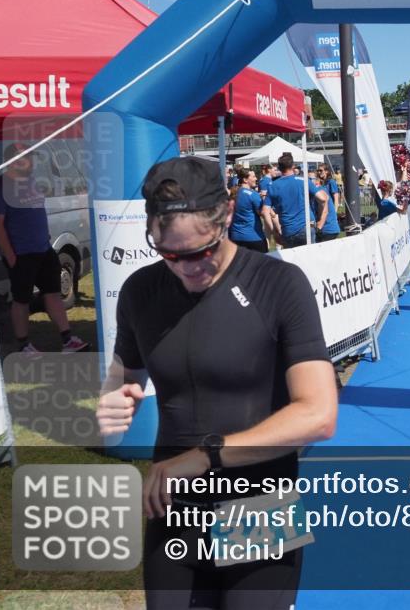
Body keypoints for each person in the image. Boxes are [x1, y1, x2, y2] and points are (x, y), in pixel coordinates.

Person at [96, 155, 337, 609]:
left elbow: (318, 415)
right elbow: (124, 374)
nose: (188, 268)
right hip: (172, 512)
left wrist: (204, 457)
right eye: (170, 255)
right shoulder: (139, 291)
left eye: (201, 252)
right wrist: (114, 396)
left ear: (226, 217)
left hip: (260, 508)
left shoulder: (279, 283)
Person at [0, 143, 89, 356]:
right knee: (21, 299)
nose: (32, 162)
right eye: (27, 157)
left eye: (31, 157)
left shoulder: (32, 182)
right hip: (21, 253)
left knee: (53, 293)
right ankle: (24, 345)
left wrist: (46, 240)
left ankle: (67, 340)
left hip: (44, 249)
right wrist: (11, 256)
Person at [267, 153, 330, 247]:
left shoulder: (272, 185)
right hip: (306, 227)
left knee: (292, 260)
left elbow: (266, 210)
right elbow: (323, 199)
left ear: (279, 168)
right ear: (293, 166)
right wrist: (321, 219)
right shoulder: (303, 180)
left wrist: (274, 232)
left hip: (288, 230)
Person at [229, 169, 270, 253]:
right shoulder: (253, 194)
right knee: (261, 265)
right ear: (245, 180)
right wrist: (266, 200)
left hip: (235, 237)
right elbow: (262, 212)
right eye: (254, 176)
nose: (256, 179)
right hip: (253, 238)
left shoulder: (234, 193)